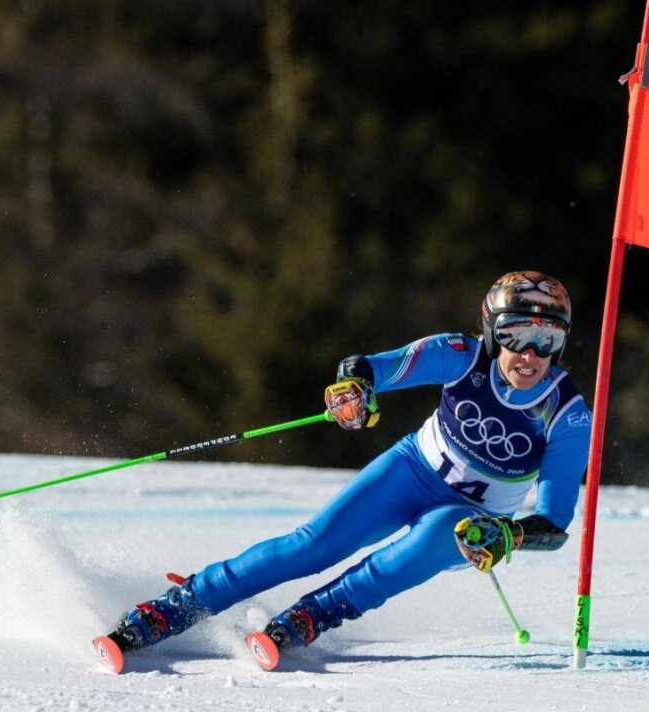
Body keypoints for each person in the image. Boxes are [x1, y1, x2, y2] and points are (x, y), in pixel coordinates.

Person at [93, 270, 592, 673]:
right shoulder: (461, 356)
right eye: (514, 334)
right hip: (412, 469)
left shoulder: (566, 414)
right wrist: (355, 390)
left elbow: (554, 524)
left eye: (546, 337)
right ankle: (176, 606)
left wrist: (508, 534)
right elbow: (366, 366)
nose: (530, 353)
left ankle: (310, 616)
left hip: (471, 522)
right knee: (313, 545)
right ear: (490, 329)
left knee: (431, 539)